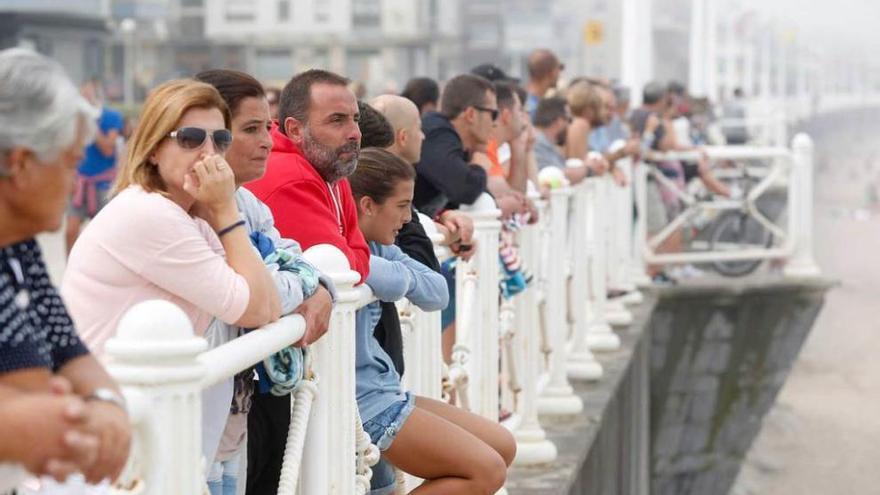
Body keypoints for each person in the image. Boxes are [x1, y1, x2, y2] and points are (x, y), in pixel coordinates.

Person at [194, 69, 335, 495]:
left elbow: (297, 260)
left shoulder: (247, 202)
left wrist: (322, 286)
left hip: (231, 418)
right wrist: (300, 284)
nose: (268, 142)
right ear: (210, 136)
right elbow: (262, 296)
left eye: (268, 128)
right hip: (194, 427)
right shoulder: (187, 213)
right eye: (251, 129)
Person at [0, 47, 131, 490]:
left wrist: (104, 404)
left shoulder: (17, 246)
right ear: (19, 163)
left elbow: (67, 348)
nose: (76, 183)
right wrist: (35, 424)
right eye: (71, 163)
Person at [349, 148, 514, 495]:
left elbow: (437, 293)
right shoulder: (341, 250)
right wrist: (396, 276)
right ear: (366, 206)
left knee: (503, 445)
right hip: (365, 403)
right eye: (402, 205)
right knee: (485, 471)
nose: (409, 218)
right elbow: (393, 281)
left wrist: (397, 275)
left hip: (387, 389)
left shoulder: (376, 246)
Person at [243, 69, 368, 493]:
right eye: (337, 121)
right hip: (267, 390)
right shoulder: (293, 177)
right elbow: (345, 265)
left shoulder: (332, 172)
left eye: (355, 119)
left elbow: (357, 256)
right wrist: (323, 278)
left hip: (285, 385)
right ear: (294, 129)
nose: (353, 132)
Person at [64, 79, 125, 255]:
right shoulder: (75, 119)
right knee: (71, 230)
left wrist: (93, 124)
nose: (85, 98)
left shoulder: (112, 117)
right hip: (80, 182)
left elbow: (107, 149)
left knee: (105, 234)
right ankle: (70, 270)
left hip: (103, 184)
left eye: (89, 94)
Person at [533, 96, 600, 185]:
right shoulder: (536, 143)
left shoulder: (546, 144)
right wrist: (588, 168)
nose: (570, 126)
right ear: (559, 121)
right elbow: (559, 176)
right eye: (569, 120)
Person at [525, 49, 564, 119]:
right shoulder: (533, 109)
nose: (559, 74)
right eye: (559, 68)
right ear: (552, 72)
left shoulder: (523, 101)